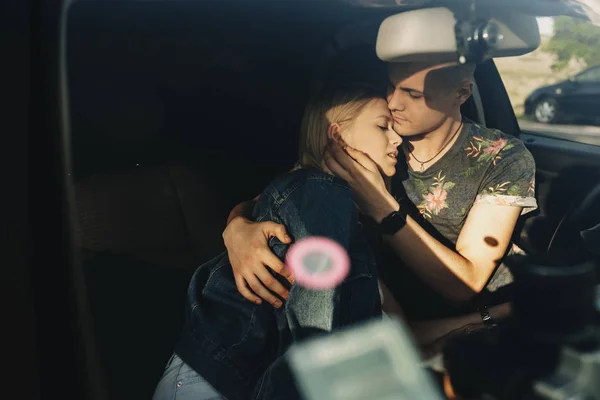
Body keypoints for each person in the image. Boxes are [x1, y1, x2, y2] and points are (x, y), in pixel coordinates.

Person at [222, 60, 537, 329]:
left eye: (413, 94)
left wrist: (383, 210)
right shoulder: (371, 138)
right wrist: (236, 228)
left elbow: (463, 285)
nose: (395, 103)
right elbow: (291, 193)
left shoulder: (500, 157)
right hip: (388, 324)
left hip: (471, 320)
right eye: (391, 85)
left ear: (463, 93)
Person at [153, 83, 398, 400]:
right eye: (383, 126)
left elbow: (395, 329)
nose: (398, 139)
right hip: (218, 382)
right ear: (337, 135)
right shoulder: (316, 190)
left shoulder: (342, 216)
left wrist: (483, 318)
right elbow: (321, 338)